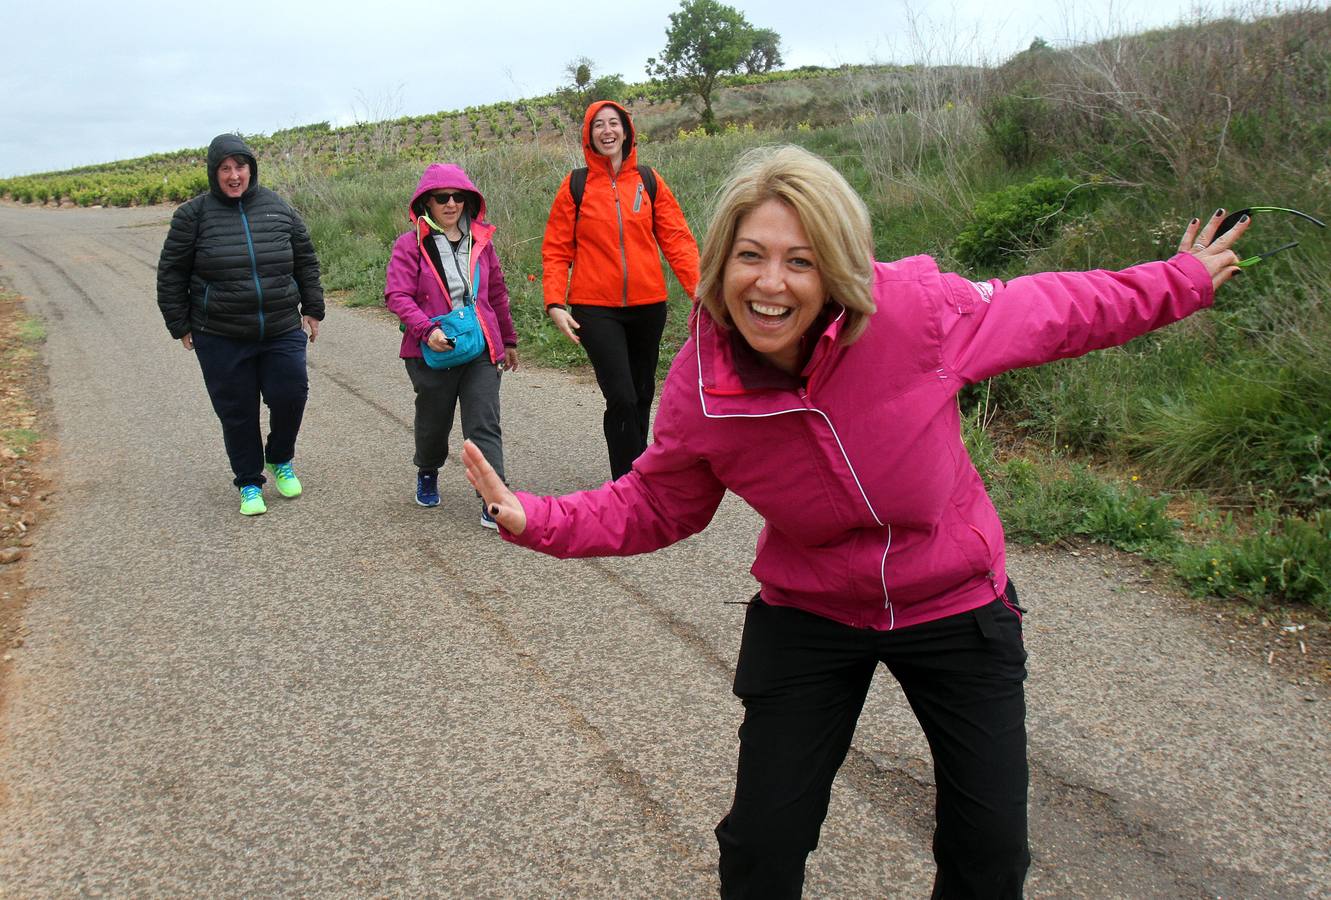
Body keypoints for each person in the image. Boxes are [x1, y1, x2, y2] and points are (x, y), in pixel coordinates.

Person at [464, 144, 1251, 897]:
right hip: (810, 610)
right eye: (749, 255)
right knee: (760, 845)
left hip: (952, 599)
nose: (770, 283)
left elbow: (1058, 309)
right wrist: (536, 517)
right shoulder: (703, 382)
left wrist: (1179, 280)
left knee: (988, 853)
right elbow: (657, 502)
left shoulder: (917, 313)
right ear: (719, 263)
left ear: (836, 267)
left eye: (800, 261)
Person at [156, 133, 324, 517]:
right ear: (213, 173)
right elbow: (171, 274)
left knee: (291, 394)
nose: (234, 176)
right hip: (221, 335)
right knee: (238, 411)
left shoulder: (277, 207)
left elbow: (305, 260)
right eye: (225, 168)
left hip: (281, 326)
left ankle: (279, 457)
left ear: (252, 168)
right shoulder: (192, 216)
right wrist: (179, 323)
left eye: (240, 166)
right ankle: (249, 482)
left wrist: (313, 308)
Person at [541, 100, 700, 480]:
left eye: (614, 123)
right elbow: (556, 249)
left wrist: (701, 292)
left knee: (642, 394)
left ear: (626, 131)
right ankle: (628, 485)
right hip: (595, 308)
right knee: (622, 396)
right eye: (598, 125)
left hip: (648, 305)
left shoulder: (648, 180)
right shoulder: (576, 185)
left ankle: (637, 474)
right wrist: (555, 302)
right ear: (589, 135)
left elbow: (677, 240)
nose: (607, 131)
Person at [384, 163, 517, 527]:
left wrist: (507, 340)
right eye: (442, 198)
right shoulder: (410, 244)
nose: (451, 204)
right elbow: (397, 295)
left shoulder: (482, 241)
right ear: (426, 202)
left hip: (480, 347)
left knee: (484, 421)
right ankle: (427, 469)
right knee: (433, 424)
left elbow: (497, 293)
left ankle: (494, 499)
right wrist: (427, 330)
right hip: (432, 351)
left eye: (459, 197)